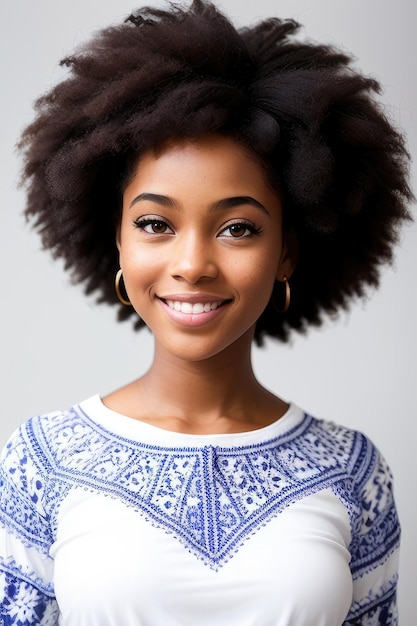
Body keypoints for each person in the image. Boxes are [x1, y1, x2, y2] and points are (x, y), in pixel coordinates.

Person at [0, 1, 413, 624]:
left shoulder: (354, 472)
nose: (192, 263)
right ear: (117, 239)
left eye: (238, 228)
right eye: (155, 224)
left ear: (286, 254)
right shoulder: (39, 461)